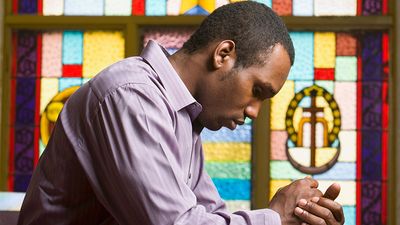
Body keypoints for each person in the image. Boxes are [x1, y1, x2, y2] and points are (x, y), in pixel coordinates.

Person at [18, 2, 344, 225]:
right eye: (257, 91)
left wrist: (296, 216)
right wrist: (274, 216)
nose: (254, 112)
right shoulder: (132, 97)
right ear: (223, 54)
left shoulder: (185, 117)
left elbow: (207, 215)